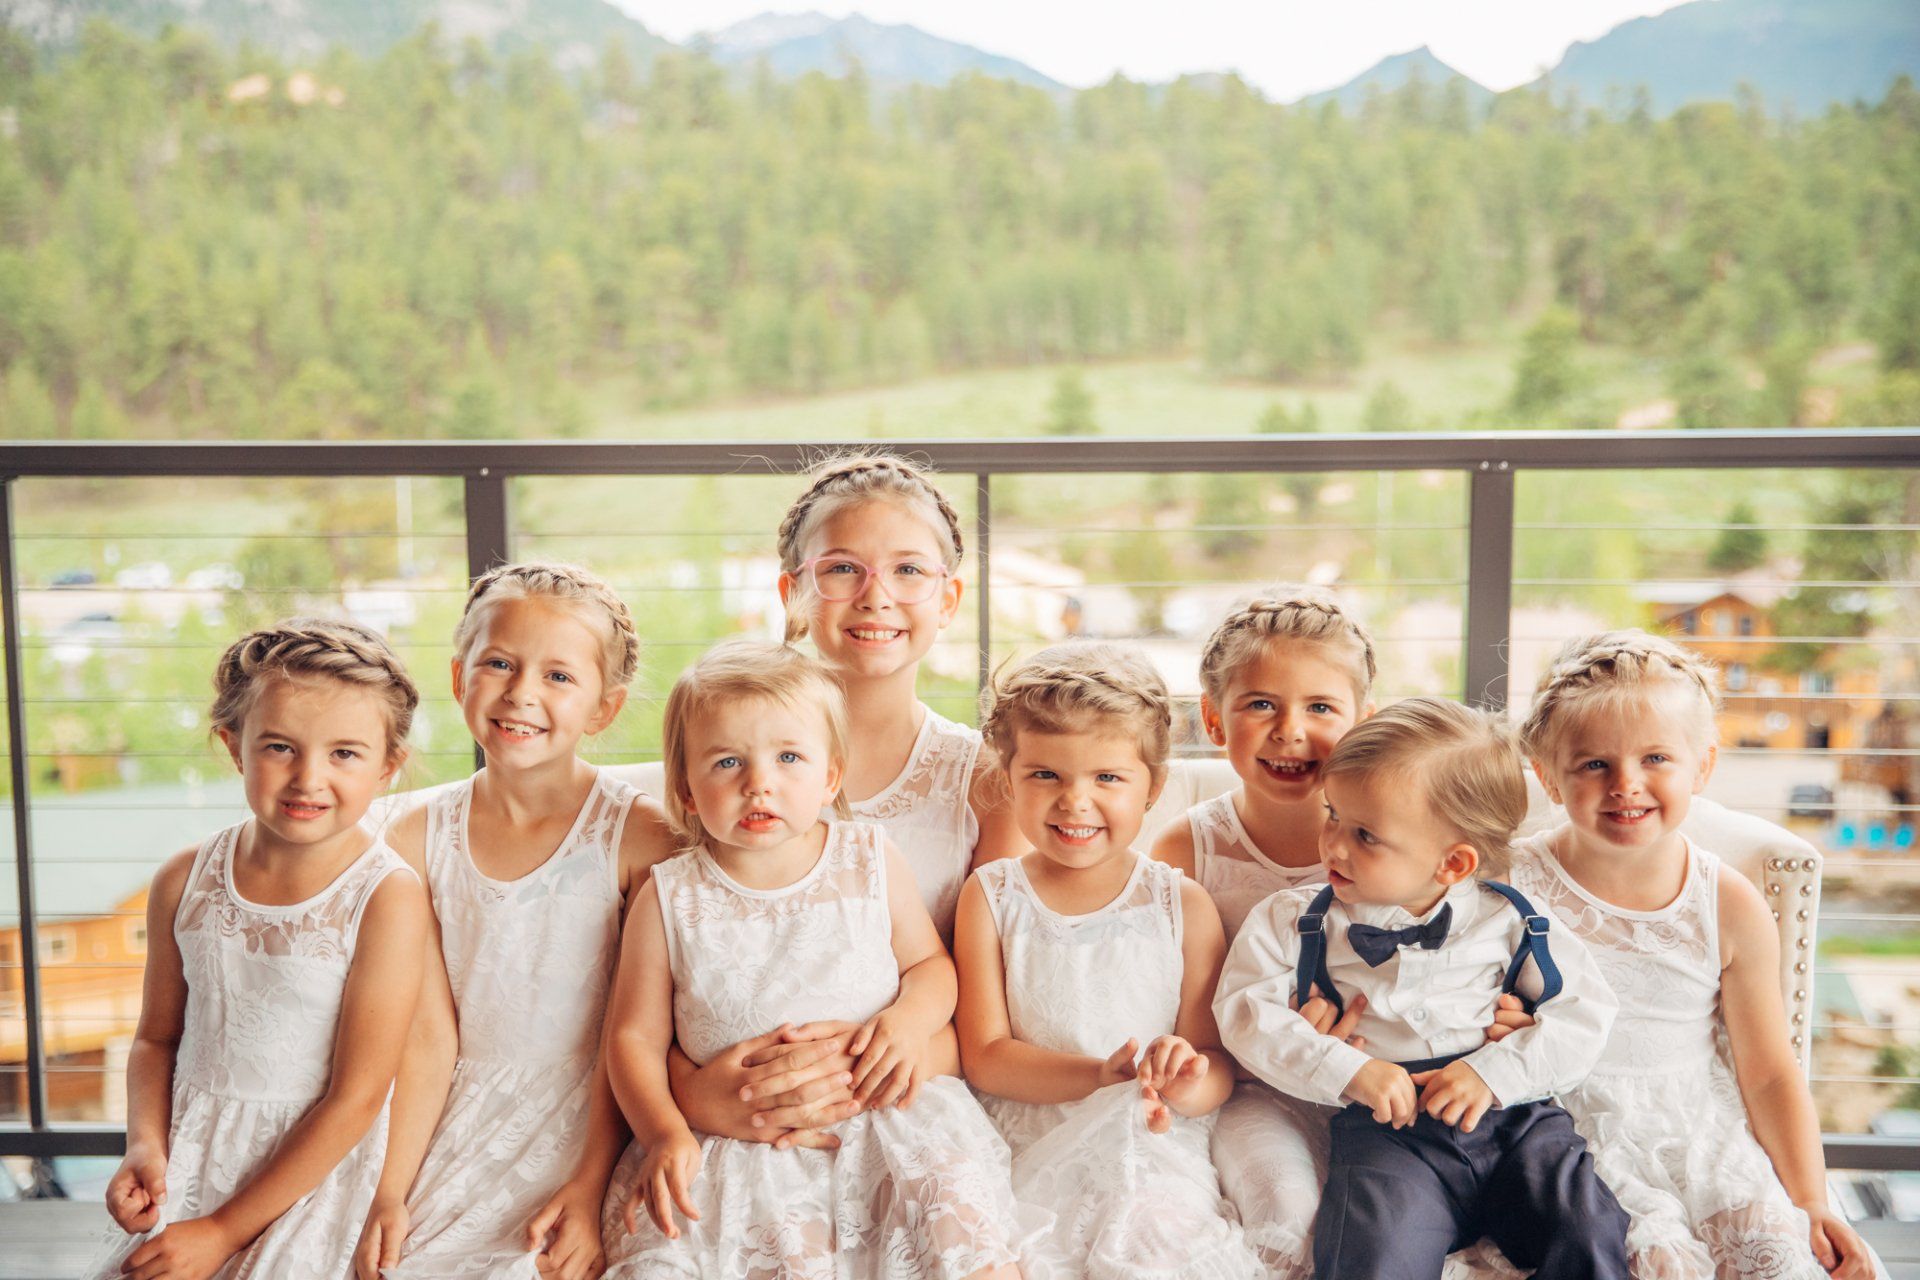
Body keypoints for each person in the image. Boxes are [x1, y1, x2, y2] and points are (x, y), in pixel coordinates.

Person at [597, 638, 1041, 1278]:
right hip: (738, 1143)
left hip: (888, 1123)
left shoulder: (868, 859)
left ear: (831, 776)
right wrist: (665, 1132)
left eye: (788, 758)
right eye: (727, 761)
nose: (758, 783)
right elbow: (633, 1038)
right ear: (686, 789)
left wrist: (907, 1023)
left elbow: (931, 967)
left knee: (955, 1229)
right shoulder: (669, 895)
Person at [651, 452, 1023, 1157]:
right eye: (843, 569)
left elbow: (986, 1012)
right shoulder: (727, 765)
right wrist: (693, 1096)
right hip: (744, 1123)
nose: (876, 596)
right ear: (794, 592)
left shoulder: (987, 782)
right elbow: (671, 978)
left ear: (948, 599)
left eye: (908, 570)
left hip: (912, 1103)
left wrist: (857, 1073)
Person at [1215, 697, 1628, 1280]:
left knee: (1587, 1229)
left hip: (1516, 1122)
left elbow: (1585, 1013)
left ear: (1453, 864)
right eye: (1333, 815)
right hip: (1390, 1133)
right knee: (1372, 1257)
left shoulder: (1514, 921)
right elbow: (1245, 1013)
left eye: (1365, 835)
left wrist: (1495, 1071)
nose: (1334, 844)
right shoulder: (1297, 921)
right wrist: (1347, 1069)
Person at [1512, 630, 1877, 1279]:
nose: (1626, 784)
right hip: (1571, 1128)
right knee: (1658, 1262)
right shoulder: (1511, 887)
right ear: (1547, 776)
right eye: (1594, 764)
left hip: (1699, 1127)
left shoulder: (1728, 903)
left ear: (1702, 768)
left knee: (1775, 1255)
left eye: (1655, 757)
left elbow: (1769, 1073)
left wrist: (1812, 1200)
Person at [355, 562, 673, 1280]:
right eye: (499, 664)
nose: (521, 693)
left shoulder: (640, 838)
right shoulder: (414, 839)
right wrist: (389, 1192)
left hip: (604, 1122)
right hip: (458, 1121)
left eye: (558, 676)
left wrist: (590, 1184)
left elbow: (643, 1031)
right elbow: (426, 1038)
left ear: (604, 708)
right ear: (459, 676)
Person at [94, 620, 428, 1280]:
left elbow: (357, 1097)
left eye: (344, 753)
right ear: (234, 746)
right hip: (190, 1159)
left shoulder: (387, 897)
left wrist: (222, 1231)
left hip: (306, 1176)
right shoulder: (182, 879)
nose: (308, 778)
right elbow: (156, 1040)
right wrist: (145, 1145)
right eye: (280, 747)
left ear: (388, 766)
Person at [956, 641, 1258, 1277]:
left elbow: (1214, 1063)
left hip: (1147, 1134)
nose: (1074, 801)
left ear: (1153, 788)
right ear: (1007, 780)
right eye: (1045, 775)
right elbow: (986, 1056)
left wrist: (1186, 1080)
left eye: (1107, 778)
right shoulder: (991, 896)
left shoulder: (1183, 904)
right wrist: (1097, 1074)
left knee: (1152, 1234)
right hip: (1031, 1131)